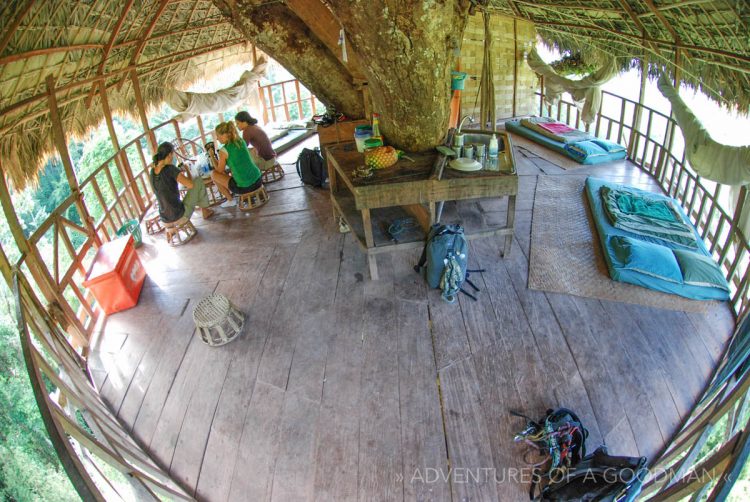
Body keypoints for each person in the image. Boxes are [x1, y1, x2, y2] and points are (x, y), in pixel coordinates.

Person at [150, 142, 213, 223]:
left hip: (165, 219)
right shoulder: (170, 169)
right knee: (198, 181)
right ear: (169, 155)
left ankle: (205, 210)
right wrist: (186, 169)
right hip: (179, 216)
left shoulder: (152, 171)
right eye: (173, 155)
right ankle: (205, 211)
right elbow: (190, 185)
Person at [210, 121, 263, 207]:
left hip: (245, 187)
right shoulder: (240, 141)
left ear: (225, 135)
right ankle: (234, 198)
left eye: (218, 136)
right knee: (234, 174)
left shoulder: (224, 150)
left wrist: (212, 157)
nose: (217, 139)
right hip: (258, 179)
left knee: (213, 174)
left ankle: (230, 200)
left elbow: (219, 171)